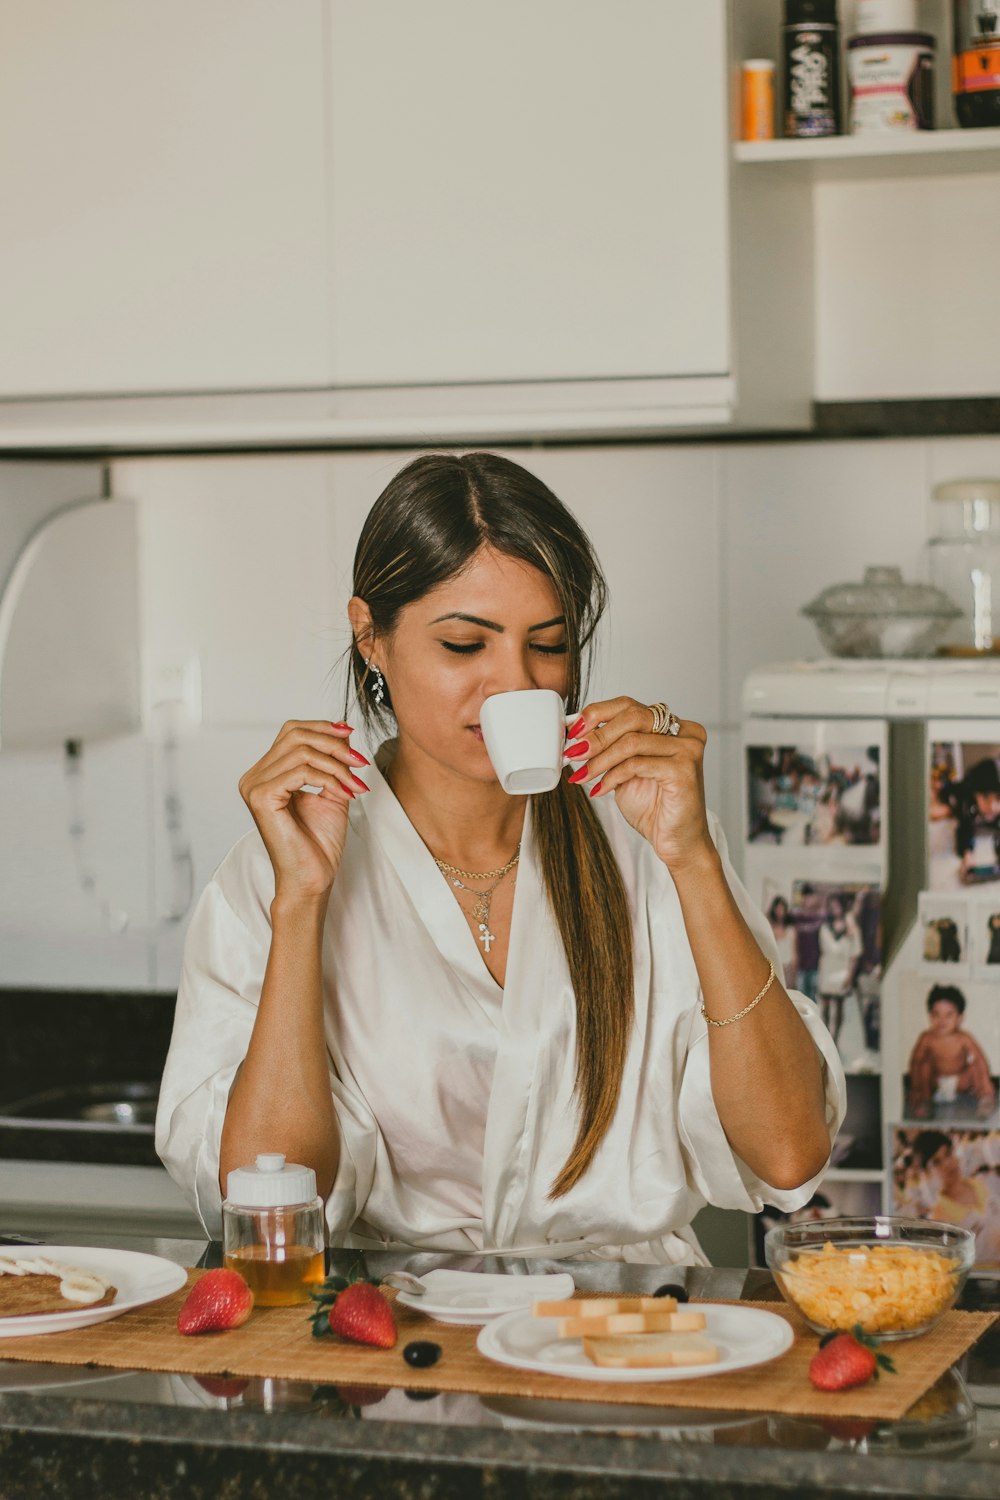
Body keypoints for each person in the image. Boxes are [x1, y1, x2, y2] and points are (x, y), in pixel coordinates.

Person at [156, 452, 843, 1264]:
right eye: (463, 645)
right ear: (370, 636)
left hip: (624, 1350)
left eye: (546, 646)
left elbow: (790, 1154)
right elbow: (270, 1213)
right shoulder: (282, 867)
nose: (515, 686)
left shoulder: (649, 840)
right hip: (396, 1357)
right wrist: (300, 905)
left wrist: (691, 860)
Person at [907, 985, 996, 1121]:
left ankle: (986, 1098)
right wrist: (915, 1088)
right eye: (936, 1015)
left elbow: (979, 1059)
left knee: (975, 1066)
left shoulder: (964, 1038)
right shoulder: (927, 1038)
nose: (941, 1020)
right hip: (934, 1084)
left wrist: (986, 1085)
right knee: (924, 1065)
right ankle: (924, 1101)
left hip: (959, 1083)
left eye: (948, 1015)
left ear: (960, 1018)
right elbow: (915, 1062)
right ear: (930, 1016)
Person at [817, 893, 861, 1049]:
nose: (834, 909)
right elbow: (823, 950)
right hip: (827, 972)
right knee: (826, 1007)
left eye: (836, 906)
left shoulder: (851, 929)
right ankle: (825, 1039)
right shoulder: (825, 927)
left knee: (839, 1008)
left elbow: (855, 954)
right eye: (831, 906)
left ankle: (835, 1040)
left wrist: (850, 975)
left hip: (842, 973)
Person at [767, 895, 799, 991]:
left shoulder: (791, 930)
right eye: (778, 908)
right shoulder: (769, 928)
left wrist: (794, 971)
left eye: (782, 909)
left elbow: (794, 951)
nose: (780, 911)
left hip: (787, 967)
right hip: (774, 967)